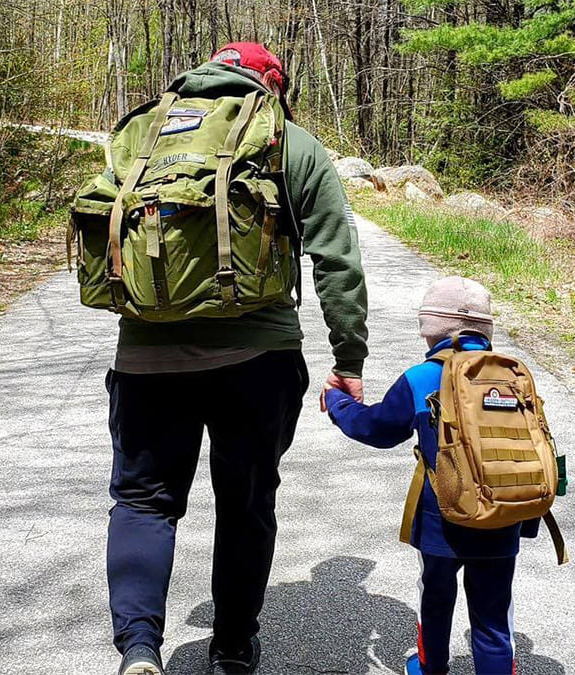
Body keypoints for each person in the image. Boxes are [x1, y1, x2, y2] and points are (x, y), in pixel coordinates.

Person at [104, 43, 369, 675]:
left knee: (143, 502)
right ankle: (231, 651)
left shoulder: (144, 130)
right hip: (257, 356)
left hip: (145, 356)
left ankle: (140, 650)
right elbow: (336, 259)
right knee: (245, 503)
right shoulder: (289, 140)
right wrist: (348, 357)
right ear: (273, 85)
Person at [323, 276, 567, 675]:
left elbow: (375, 430)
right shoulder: (512, 375)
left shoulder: (422, 378)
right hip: (506, 514)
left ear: (431, 328)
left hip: (443, 519)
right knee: (492, 615)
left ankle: (429, 668)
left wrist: (338, 402)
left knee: (435, 598)